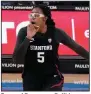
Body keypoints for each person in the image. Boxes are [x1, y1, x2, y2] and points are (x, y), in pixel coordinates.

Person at [12, 4, 89, 91]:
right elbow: (16, 60)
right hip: (31, 78)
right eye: (31, 15)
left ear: (45, 18)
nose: (32, 17)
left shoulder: (55, 32)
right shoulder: (23, 32)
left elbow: (76, 47)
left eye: (36, 15)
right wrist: (28, 38)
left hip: (52, 77)